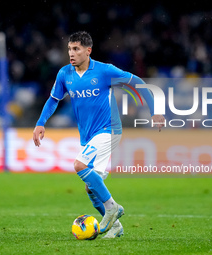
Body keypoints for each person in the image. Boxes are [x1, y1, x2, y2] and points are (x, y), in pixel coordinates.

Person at [33, 31, 165, 238]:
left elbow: (137, 82)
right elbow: (53, 100)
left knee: (79, 165)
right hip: (88, 136)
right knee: (91, 189)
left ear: (88, 51)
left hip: (109, 129)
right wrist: (41, 123)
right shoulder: (64, 74)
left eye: (76, 49)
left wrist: (155, 110)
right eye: (69, 49)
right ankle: (115, 226)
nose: (71, 53)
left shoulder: (104, 71)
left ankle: (112, 207)